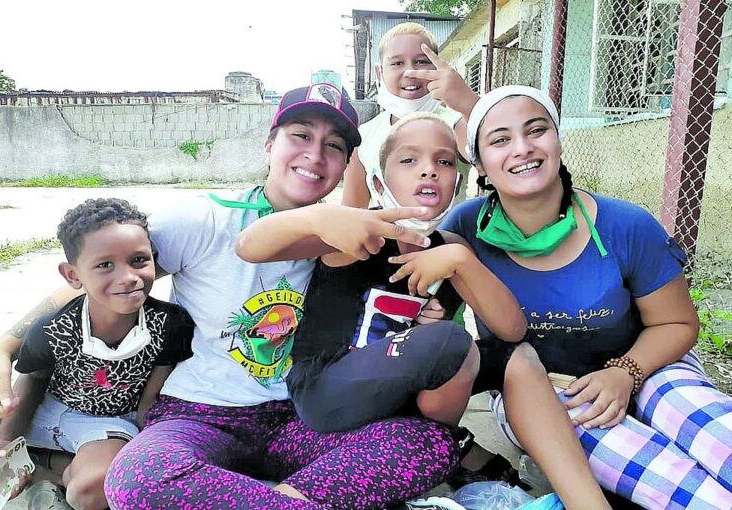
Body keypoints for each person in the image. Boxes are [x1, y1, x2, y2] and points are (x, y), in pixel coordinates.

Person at [0, 83, 465, 510]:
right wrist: (7, 345)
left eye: (333, 145)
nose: (315, 155)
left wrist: (430, 310)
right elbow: (102, 277)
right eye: (300, 136)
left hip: (300, 418)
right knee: (137, 480)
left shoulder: (349, 236)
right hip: (198, 414)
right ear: (269, 144)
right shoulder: (204, 219)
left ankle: (270, 498)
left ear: (345, 166)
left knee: (429, 443)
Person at [237, 113, 612, 510]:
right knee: (450, 341)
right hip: (327, 389)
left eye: (444, 162)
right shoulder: (357, 236)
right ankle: (450, 448)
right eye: (409, 160)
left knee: (514, 357)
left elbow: (512, 330)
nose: (429, 170)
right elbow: (250, 246)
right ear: (379, 182)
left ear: (458, 183)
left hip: (409, 390)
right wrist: (317, 217)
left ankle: (586, 502)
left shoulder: (450, 247)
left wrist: (461, 262)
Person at [436, 84, 732, 509]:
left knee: (714, 432)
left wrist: (626, 372)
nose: (522, 148)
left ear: (557, 140)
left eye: (536, 130)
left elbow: (676, 323)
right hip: (544, 392)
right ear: (480, 163)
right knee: (673, 484)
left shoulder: (626, 225)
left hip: (651, 366)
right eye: (500, 140)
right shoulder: (465, 229)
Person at [0, 198, 195, 510]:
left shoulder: (170, 324)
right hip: (46, 409)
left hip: (106, 425)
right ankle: (19, 465)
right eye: (105, 265)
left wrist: (141, 451)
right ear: (73, 275)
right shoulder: (52, 329)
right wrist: (5, 442)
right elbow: (32, 382)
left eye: (139, 260)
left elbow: (149, 402)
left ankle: (45, 471)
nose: (128, 276)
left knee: (92, 489)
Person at [341, 22, 479, 209]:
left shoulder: (457, 124)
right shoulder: (364, 136)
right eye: (397, 63)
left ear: (437, 68)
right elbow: (352, 211)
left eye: (421, 62)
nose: (410, 72)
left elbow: (496, 160)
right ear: (379, 72)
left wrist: (469, 103)